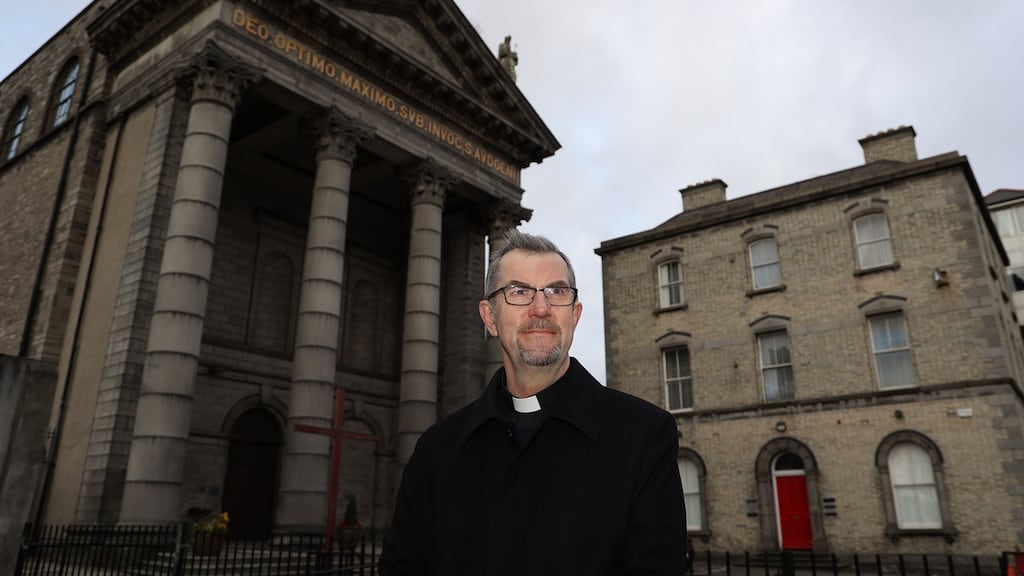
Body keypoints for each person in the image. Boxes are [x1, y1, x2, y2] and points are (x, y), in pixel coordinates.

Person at [380, 230, 686, 575]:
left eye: (556, 292)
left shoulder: (643, 436)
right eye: (519, 292)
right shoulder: (436, 450)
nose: (541, 308)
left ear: (575, 314)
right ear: (489, 317)